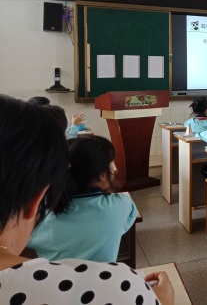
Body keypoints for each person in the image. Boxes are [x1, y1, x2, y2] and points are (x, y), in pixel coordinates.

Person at [0, 95, 173, 305]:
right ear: (32, 203)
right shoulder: (121, 280)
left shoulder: (44, 218)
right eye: (112, 164)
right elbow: (126, 222)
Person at [27, 136, 137, 262]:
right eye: (111, 163)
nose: (114, 168)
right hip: (103, 274)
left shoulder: (39, 213)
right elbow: (127, 218)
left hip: (53, 274)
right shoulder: (121, 205)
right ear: (102, 175)